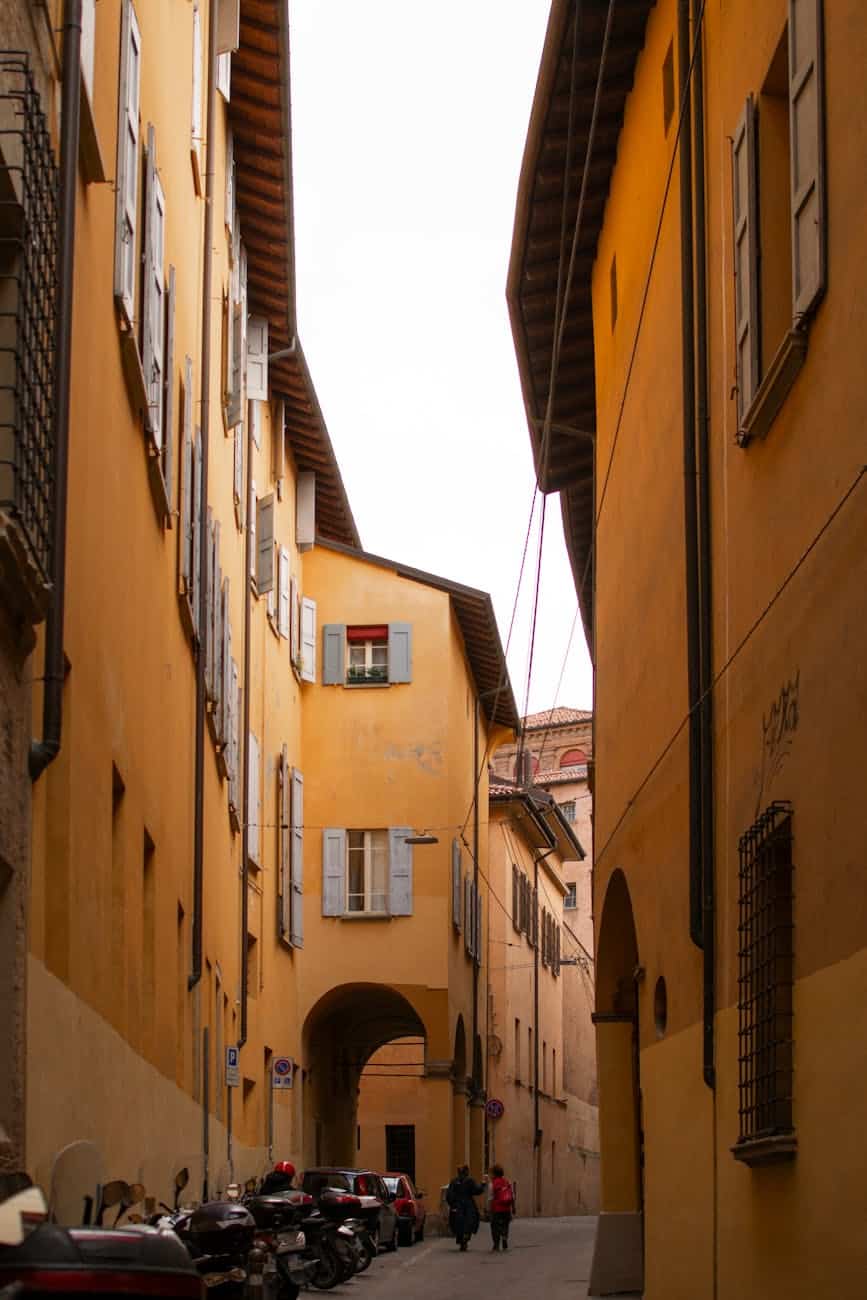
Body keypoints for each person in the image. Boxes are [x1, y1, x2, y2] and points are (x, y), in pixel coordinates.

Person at [445, 1165, 485, 1250]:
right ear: (466, 1172)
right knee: (471, 1221)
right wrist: (482, 1186)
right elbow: (476, 1191)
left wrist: (452, 1204)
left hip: (457, 1205)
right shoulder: (470, 1181)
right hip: (468, 1205)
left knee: (457, 1222)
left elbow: (449, 1195)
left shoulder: (454, 1181)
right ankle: (466, 1237)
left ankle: (461, 1238)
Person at [487, 1164, 515, 1251]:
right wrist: (513, 1207)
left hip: (496, 1209)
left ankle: (496, 1244)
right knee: (505, 1225)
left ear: (494, 1174)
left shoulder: (492, 1184)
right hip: (506, 1208)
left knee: (494, 1226)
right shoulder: (507, 1182)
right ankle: (504, 1237)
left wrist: (489, 1209)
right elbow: (512, 1195)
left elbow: (490, 1198)